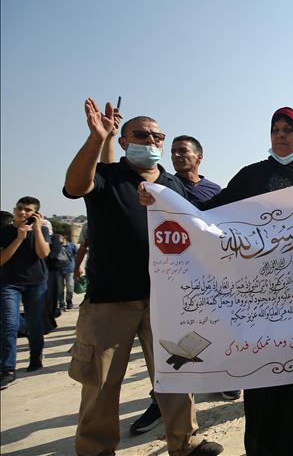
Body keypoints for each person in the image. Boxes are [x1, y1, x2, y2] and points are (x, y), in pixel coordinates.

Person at [141, 105, 293, 455]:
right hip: (260, 304)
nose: (280, 134)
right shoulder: (251, 176)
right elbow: (207, 215)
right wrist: (162, 200)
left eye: (289, 129)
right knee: (262, 384)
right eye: (275, 128)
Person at [63, 98, 222, 456]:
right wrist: (95, 139)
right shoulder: (107, 175)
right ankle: (95, 449)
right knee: (101, 384)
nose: (150, 141)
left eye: (156, 136)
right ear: (123, 141)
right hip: (110, 301)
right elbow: (74, 186)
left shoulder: (173, 186)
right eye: (141, 134)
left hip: (166, 302)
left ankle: (186, 442)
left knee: (177, 376)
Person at [129, 134, 236, 437]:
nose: (176, 156)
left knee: (215, 334)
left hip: (209, 279)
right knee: (172, 345)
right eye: (173, 151)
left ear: (199, 157)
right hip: (171, 279)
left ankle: (225, 382)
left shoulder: (214, 190)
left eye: (183, 151)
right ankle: (160, 403)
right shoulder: (161, 189)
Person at [1, 197, 51, 388]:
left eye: (28, 210)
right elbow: (2, 259)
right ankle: (8, 368)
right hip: (9, 284)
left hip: (36, 283)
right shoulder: (4, 232)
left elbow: (43, 254)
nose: (23, 213)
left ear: (35, 214)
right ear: (14, 210)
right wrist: (19, 238)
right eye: (20, 209)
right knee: (9, 324)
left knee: (35, 323)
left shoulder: (42, 230)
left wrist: (37, 230)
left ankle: (35, 354)